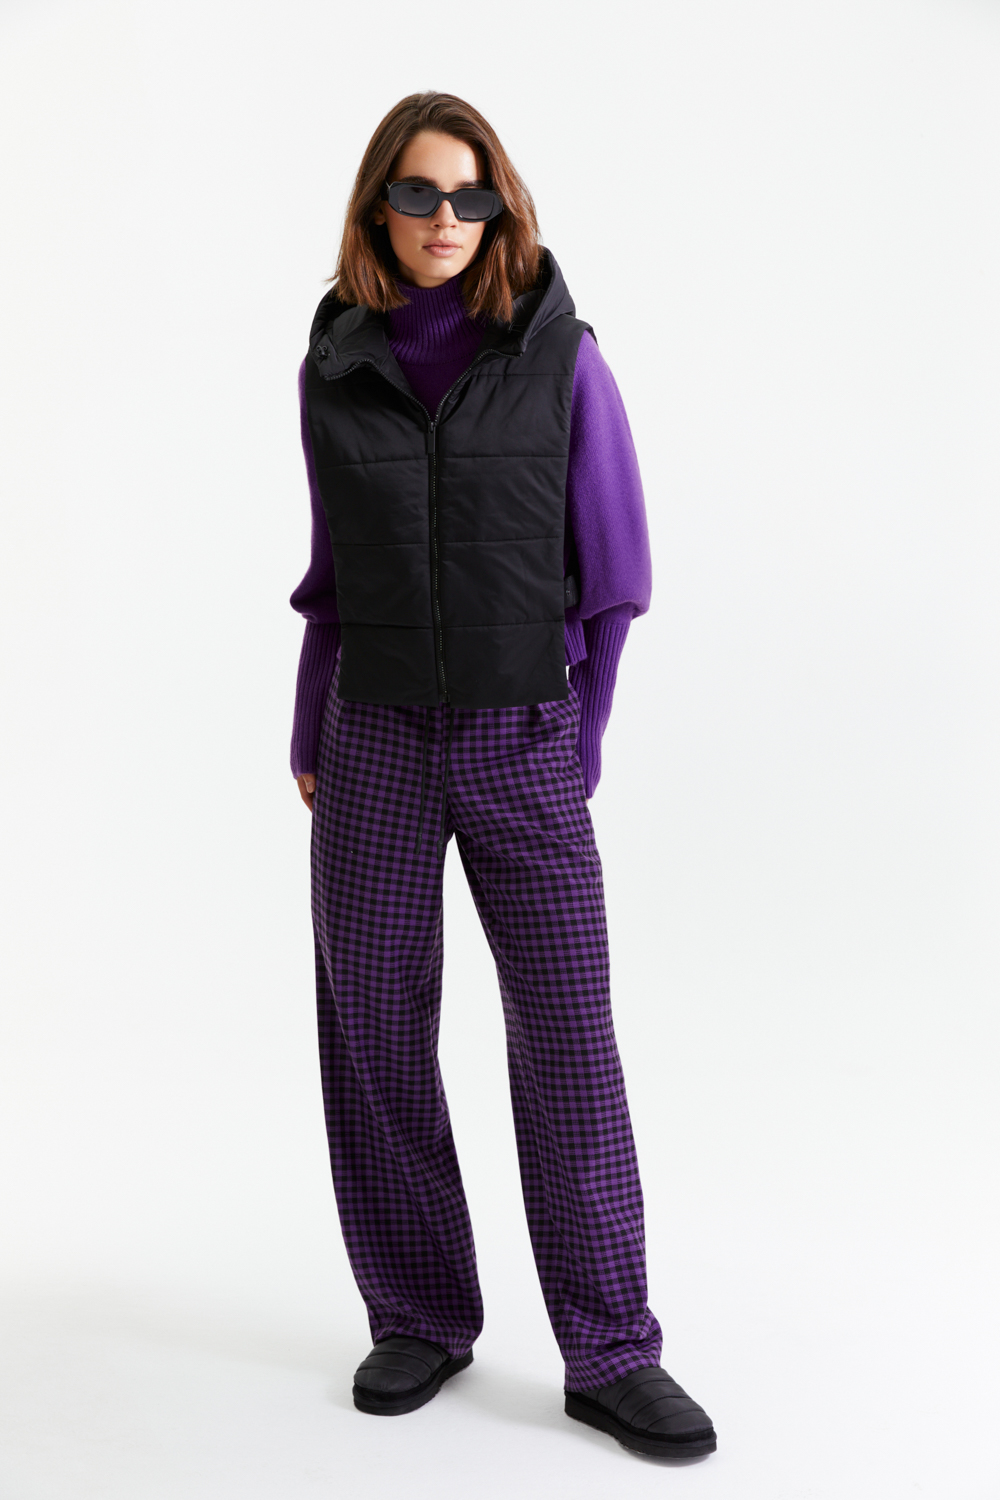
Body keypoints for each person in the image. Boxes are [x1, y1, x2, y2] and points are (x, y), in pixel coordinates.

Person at [288, 90, 716, 1460]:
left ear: (500, 208)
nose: (445, 219)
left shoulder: (561, 358)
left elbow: (616, 574)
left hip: (523, 736)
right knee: (374, 1031)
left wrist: (575, 735)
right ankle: (419, 1313)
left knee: (568, 1039)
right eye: (419, 194)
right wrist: (309, 731)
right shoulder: (335, 363)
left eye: (469, 196)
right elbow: (332, 573)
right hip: (372, 738)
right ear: (379, 208)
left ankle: (611, 1351)